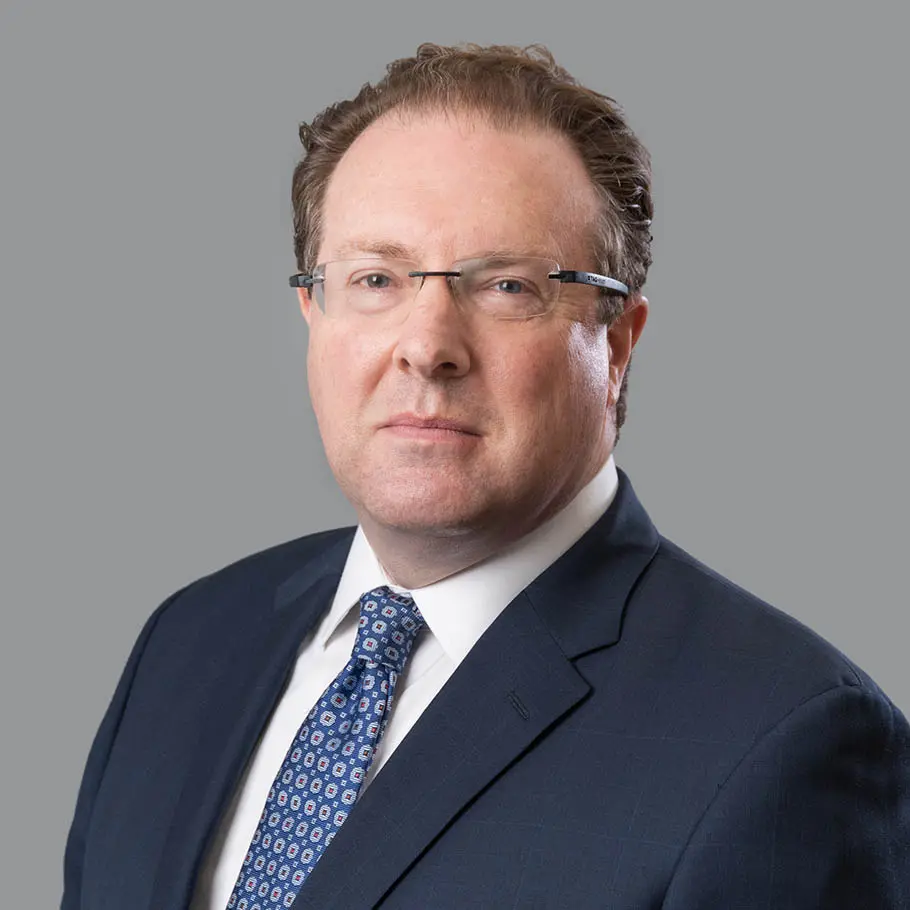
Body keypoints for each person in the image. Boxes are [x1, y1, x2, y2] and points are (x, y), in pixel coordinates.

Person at [62, 42, 910, 910]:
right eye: (376, 279)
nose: (427, 346)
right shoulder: (188, 642)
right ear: (312, 313)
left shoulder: (780, 742)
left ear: (616, 344)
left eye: (505, 286)